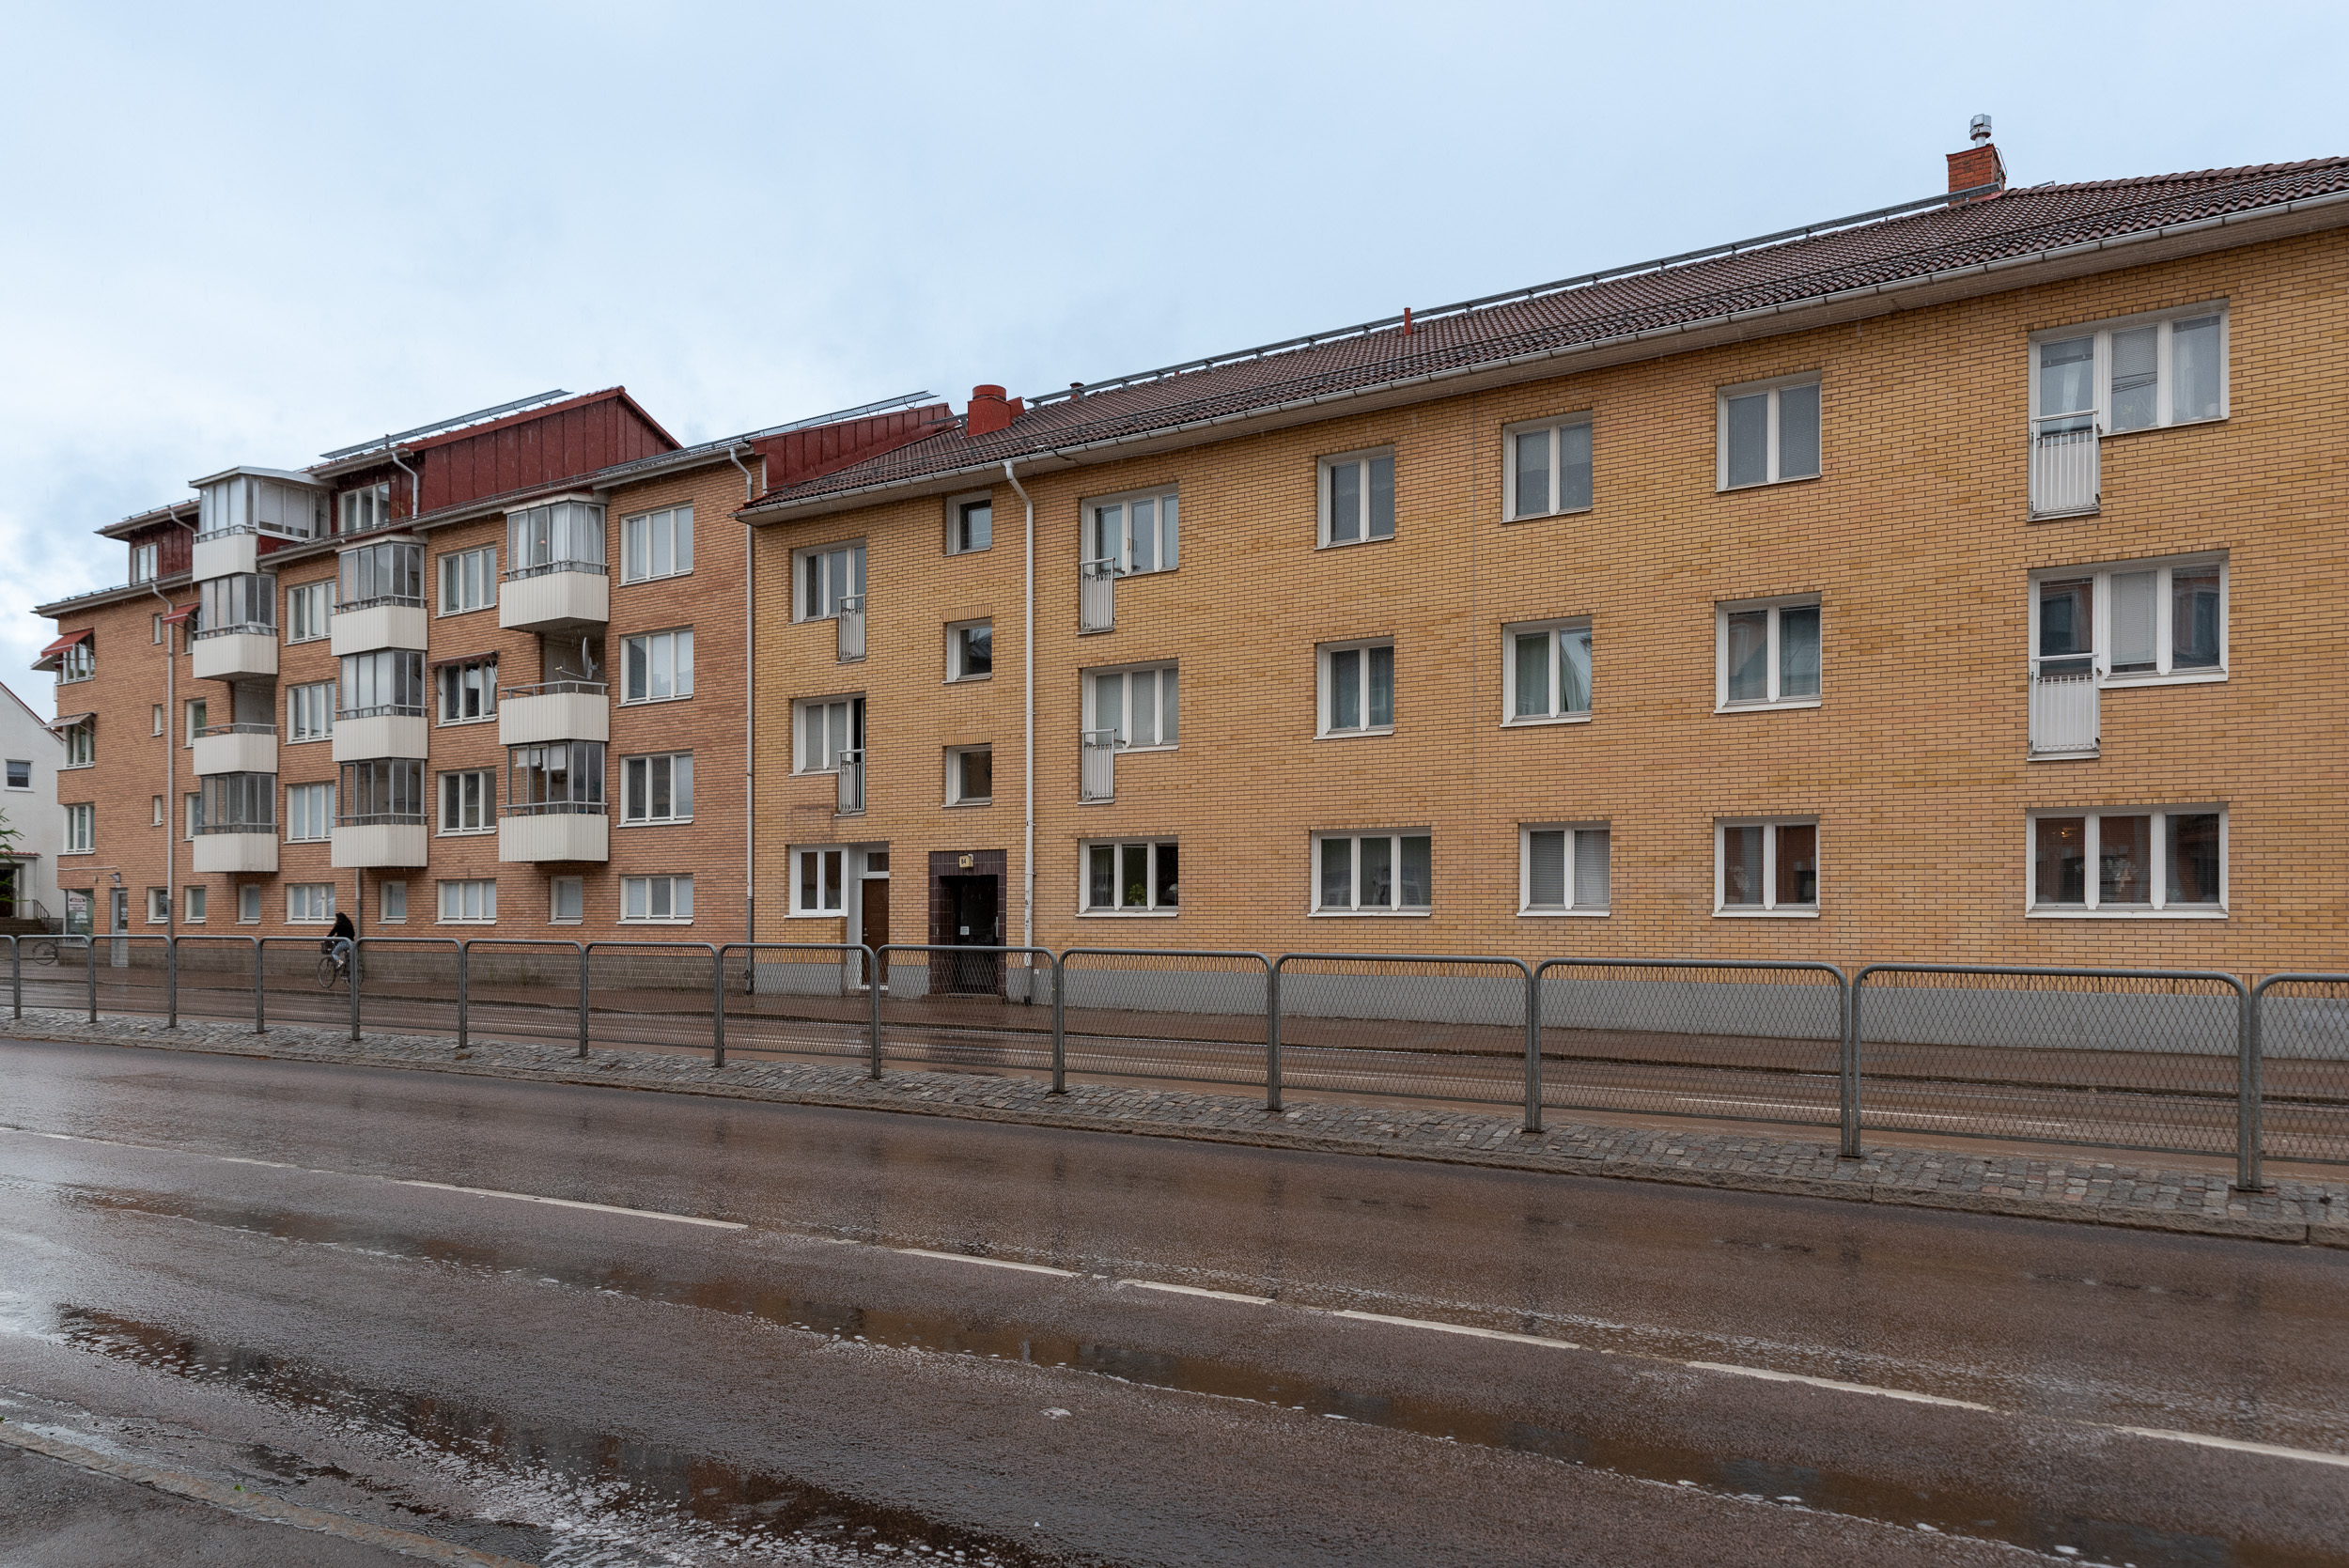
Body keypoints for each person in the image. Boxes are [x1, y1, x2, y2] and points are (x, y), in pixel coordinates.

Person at [324, 909, 355, 973]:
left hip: (343, 943)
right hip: (352, 943)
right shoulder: (349, 923)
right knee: (348, 958)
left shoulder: (339, 925)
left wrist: (327, 937)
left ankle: (340, 962)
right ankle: (348, 973)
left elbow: (332, 933)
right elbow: (353, 934)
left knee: (334, 953)